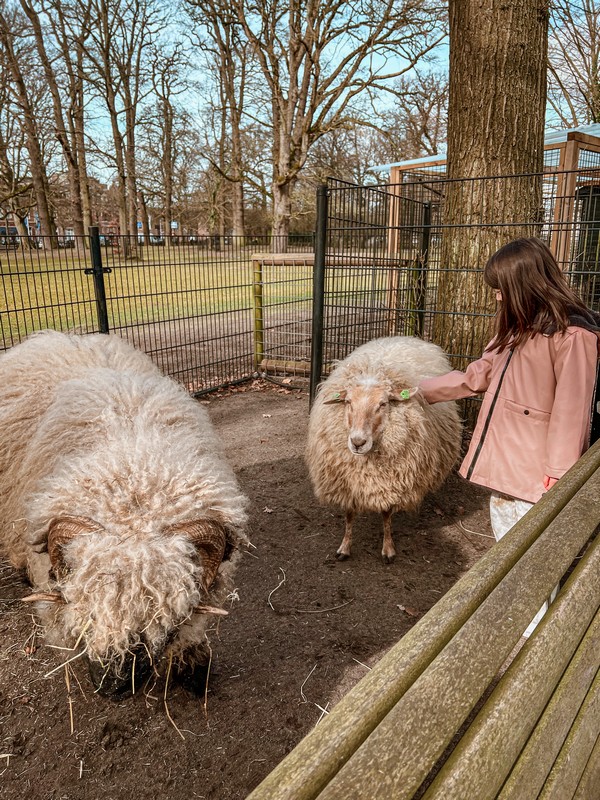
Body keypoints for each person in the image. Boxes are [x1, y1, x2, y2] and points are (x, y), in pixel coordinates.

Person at [414, 237, 600, 635]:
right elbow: (478, 374)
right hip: (509, 463)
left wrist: (557, 476)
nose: (496, 297)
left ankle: (539, 636)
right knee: (515, 550)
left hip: (537, 473)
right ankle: (536, 626)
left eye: (500, 288)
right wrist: (421, 390)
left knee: (528, 558)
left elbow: (572, 411)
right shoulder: (519, 327)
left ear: (524, 283)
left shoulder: (573, 335)